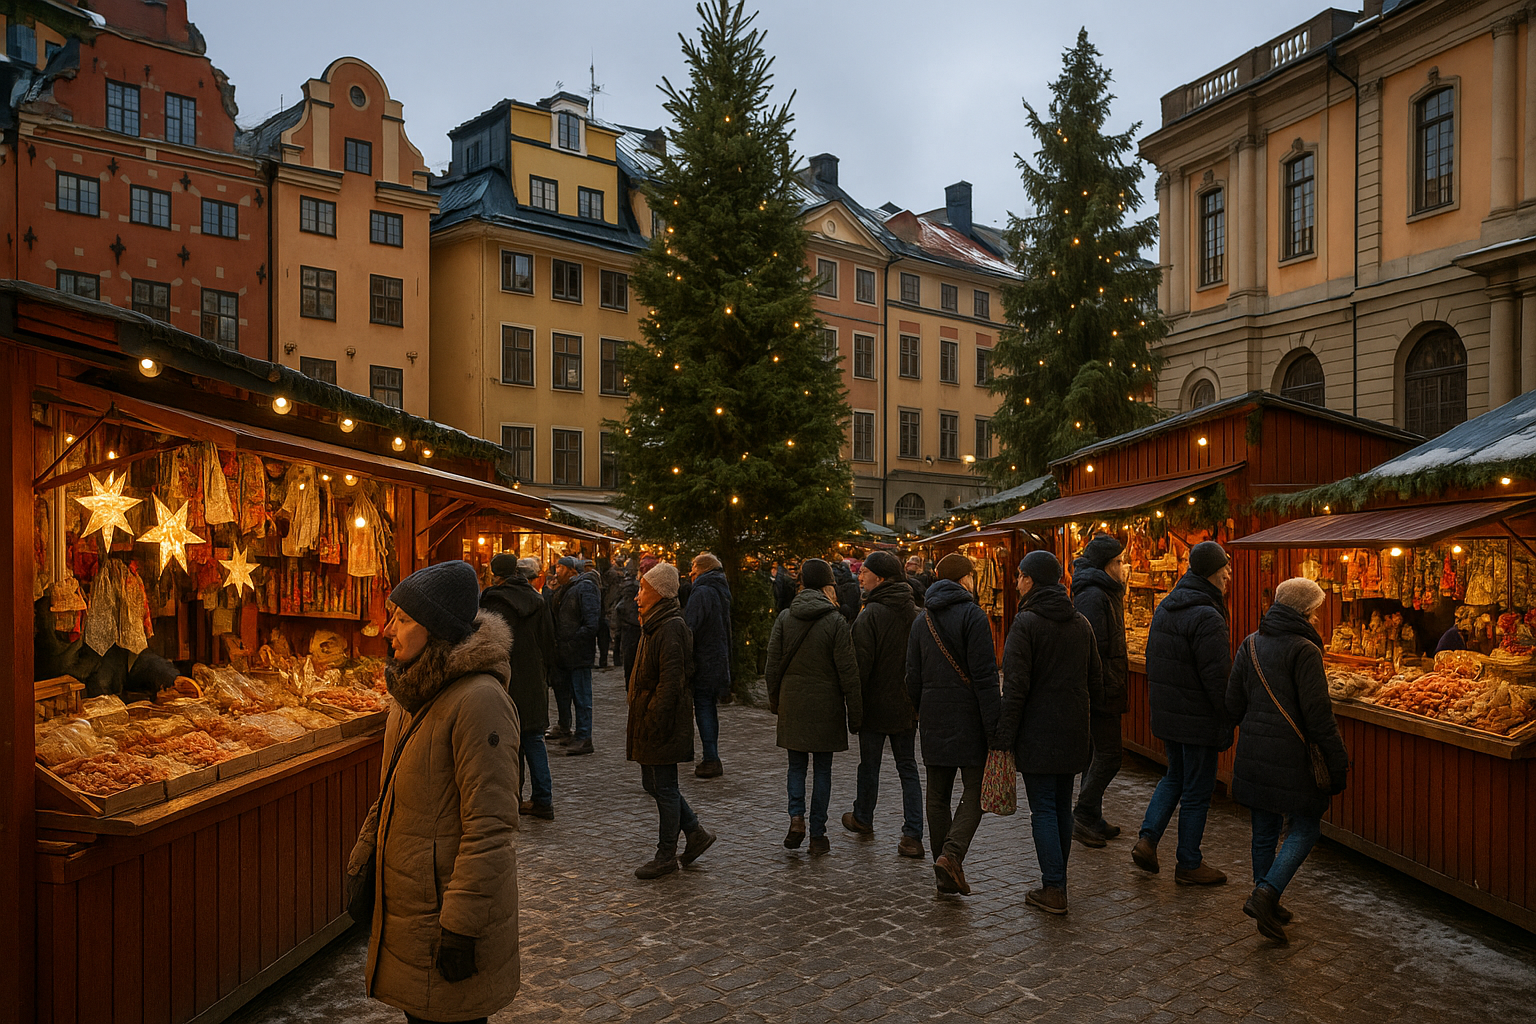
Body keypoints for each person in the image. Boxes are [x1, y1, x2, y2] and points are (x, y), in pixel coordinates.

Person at [345, 560, 521, 1024]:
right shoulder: (411, 693)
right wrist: (364, 858)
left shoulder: (479, 700)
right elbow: (392, 795)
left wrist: (461, 927)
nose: (387, 630)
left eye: (402, 620)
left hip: (445, 916)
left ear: (436, 629)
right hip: (415, 912)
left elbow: (491, 824)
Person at [1226, 578, 1349, 944]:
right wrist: (1337, 758)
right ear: (1306, 611)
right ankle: (1266, 894)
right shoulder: (1305, 650)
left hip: (1254, 752)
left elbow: (1233, 704)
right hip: (1293, 756)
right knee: (1306, 827)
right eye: (1316, 610)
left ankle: (1267, 896)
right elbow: (1318, 715)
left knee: (1264, 830)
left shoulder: (1250, 644)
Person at [995, 550, 1104, 915]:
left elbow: (1015, 688)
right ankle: (1058, 882)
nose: (1016, 582)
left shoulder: (1026, 624)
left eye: (1020, 576)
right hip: (1074, 731)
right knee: (1060, 807)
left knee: (1043, 808)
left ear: (1029, 579)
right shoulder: (1080, 623)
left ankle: (1054, 887)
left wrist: (1003, 738)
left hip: (1037, 732)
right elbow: (1096, 682)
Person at [1132, 540, 1235, 886]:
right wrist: (1230, 713)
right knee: (1196, 789)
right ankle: (1189, 862)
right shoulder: (1207, 614)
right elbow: (1218, 676)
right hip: (1198, 719)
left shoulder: (1167, 607)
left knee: (1174, 776)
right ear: (1212, 573)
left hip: (1170, 716)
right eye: (1225, 569)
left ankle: (1147, 840)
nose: (1229, 575)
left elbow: (1153, 660)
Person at [906, 552, 1000, 896]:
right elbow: (986, 676)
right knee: (976, 790)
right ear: (964, 579)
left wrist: (922, 709)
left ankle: (943, 872)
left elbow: (911, 676)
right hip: (969, 715)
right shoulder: (973, 616)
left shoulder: (922, 620)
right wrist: (995, 726)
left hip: (933, 715)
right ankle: (951, 855)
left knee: (937, 796)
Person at [765, 558, 862, 856]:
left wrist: (775, 700)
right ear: (827, 585)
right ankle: (818, 833)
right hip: (826, 704)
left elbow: (772, 665)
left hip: (793, 702)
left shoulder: (784, 617)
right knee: (823, 770)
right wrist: (855, 712)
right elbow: (848, 670)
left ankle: (796, 818)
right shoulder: (835, 621)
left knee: (796, 766)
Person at [626, 562, 717, 879]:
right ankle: (694, 832)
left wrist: (654, 717)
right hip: (648, 715)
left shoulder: (670, 627)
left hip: (661, 720)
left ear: (660, 593)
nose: (638, 596)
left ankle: (666, 854)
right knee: (653, 783)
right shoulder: (653, 622)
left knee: (663, 786)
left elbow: (672, 680)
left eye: (643, 590)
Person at [842, 550, 924, 858]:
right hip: (906, 705)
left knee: (870, 765)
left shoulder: (871, 614)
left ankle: (863, 817)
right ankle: (913, 835)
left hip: (876, 704)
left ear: (882, 578)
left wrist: (853, 705)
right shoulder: (915, 613)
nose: (859, 576)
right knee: (908, 767)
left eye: (865, 572)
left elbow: (860, 666)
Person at [480, 553, 557, 820]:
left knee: (511, 742)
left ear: (494, 573)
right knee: (534, 738)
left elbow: (486, 643)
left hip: (506, 678)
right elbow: (549, 640)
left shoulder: (491, 601)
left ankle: (514, 797)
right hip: (533, 678)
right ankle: (543, 800)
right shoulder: (537, 599)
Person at [1070, 534, 1130, 847]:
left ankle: (1090, 814)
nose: (1124, 567)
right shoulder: (1094, 594)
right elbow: (1092, 646)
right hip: (1101, 687)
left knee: (1097, 753)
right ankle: (1082, 814)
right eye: (1119, 562)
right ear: (1107, 565)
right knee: (1110, 755)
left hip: (1106, 684)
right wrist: (1101, 685)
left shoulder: (1104, 591)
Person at [684, 552, 733, 778]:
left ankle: (710, 757)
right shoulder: (720, 590)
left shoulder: (702, 591)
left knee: (703, 705)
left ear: (702, 569)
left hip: (704, 658)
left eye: (693, 568)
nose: (690, 573)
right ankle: (710, 755)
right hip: (716, 656)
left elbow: (691, 626)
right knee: (708, 707)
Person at [550, 556, 601, 756]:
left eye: (560, 567)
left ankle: (584, 737)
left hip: (578, 653)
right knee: (569, 695)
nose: (556, 572)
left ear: (572, 570)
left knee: (582, 697)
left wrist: (572, 640)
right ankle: (575, 732)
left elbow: (591, 623)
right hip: (565, 653)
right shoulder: (566, 589)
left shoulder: (585, 587)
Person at [616, 560, 644, 683]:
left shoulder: (626, 587)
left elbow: (619, 608)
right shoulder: (638, 586)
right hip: (637, 626)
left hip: (629, 627)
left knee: (630, 663)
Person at [598, 556, 623, 669]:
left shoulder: (611, 575)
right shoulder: (606, 574)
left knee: (612, 632)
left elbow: (613, 592)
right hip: (606, 607)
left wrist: (608, 605)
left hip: (610, 607)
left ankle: (614, 657)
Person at [829, 551, 861, 624]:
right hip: (851, 612)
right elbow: (857, 596)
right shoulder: (853, 577)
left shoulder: (831, 578)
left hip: (837, 612)